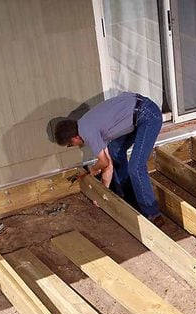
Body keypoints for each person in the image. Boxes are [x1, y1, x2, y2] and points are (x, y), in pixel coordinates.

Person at [54, 92, 163, 225]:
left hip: (148, 115)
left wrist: (92, 169)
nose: (73, 146)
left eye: (70, 144)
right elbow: (108, 165)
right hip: (137, 112)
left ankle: (153, 214)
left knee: (136, 167)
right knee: (114, 150)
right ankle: (127, 193)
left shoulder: (87, 132)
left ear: (74, 138)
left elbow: (103, 162)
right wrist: (102, 194)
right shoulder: (84, 124)